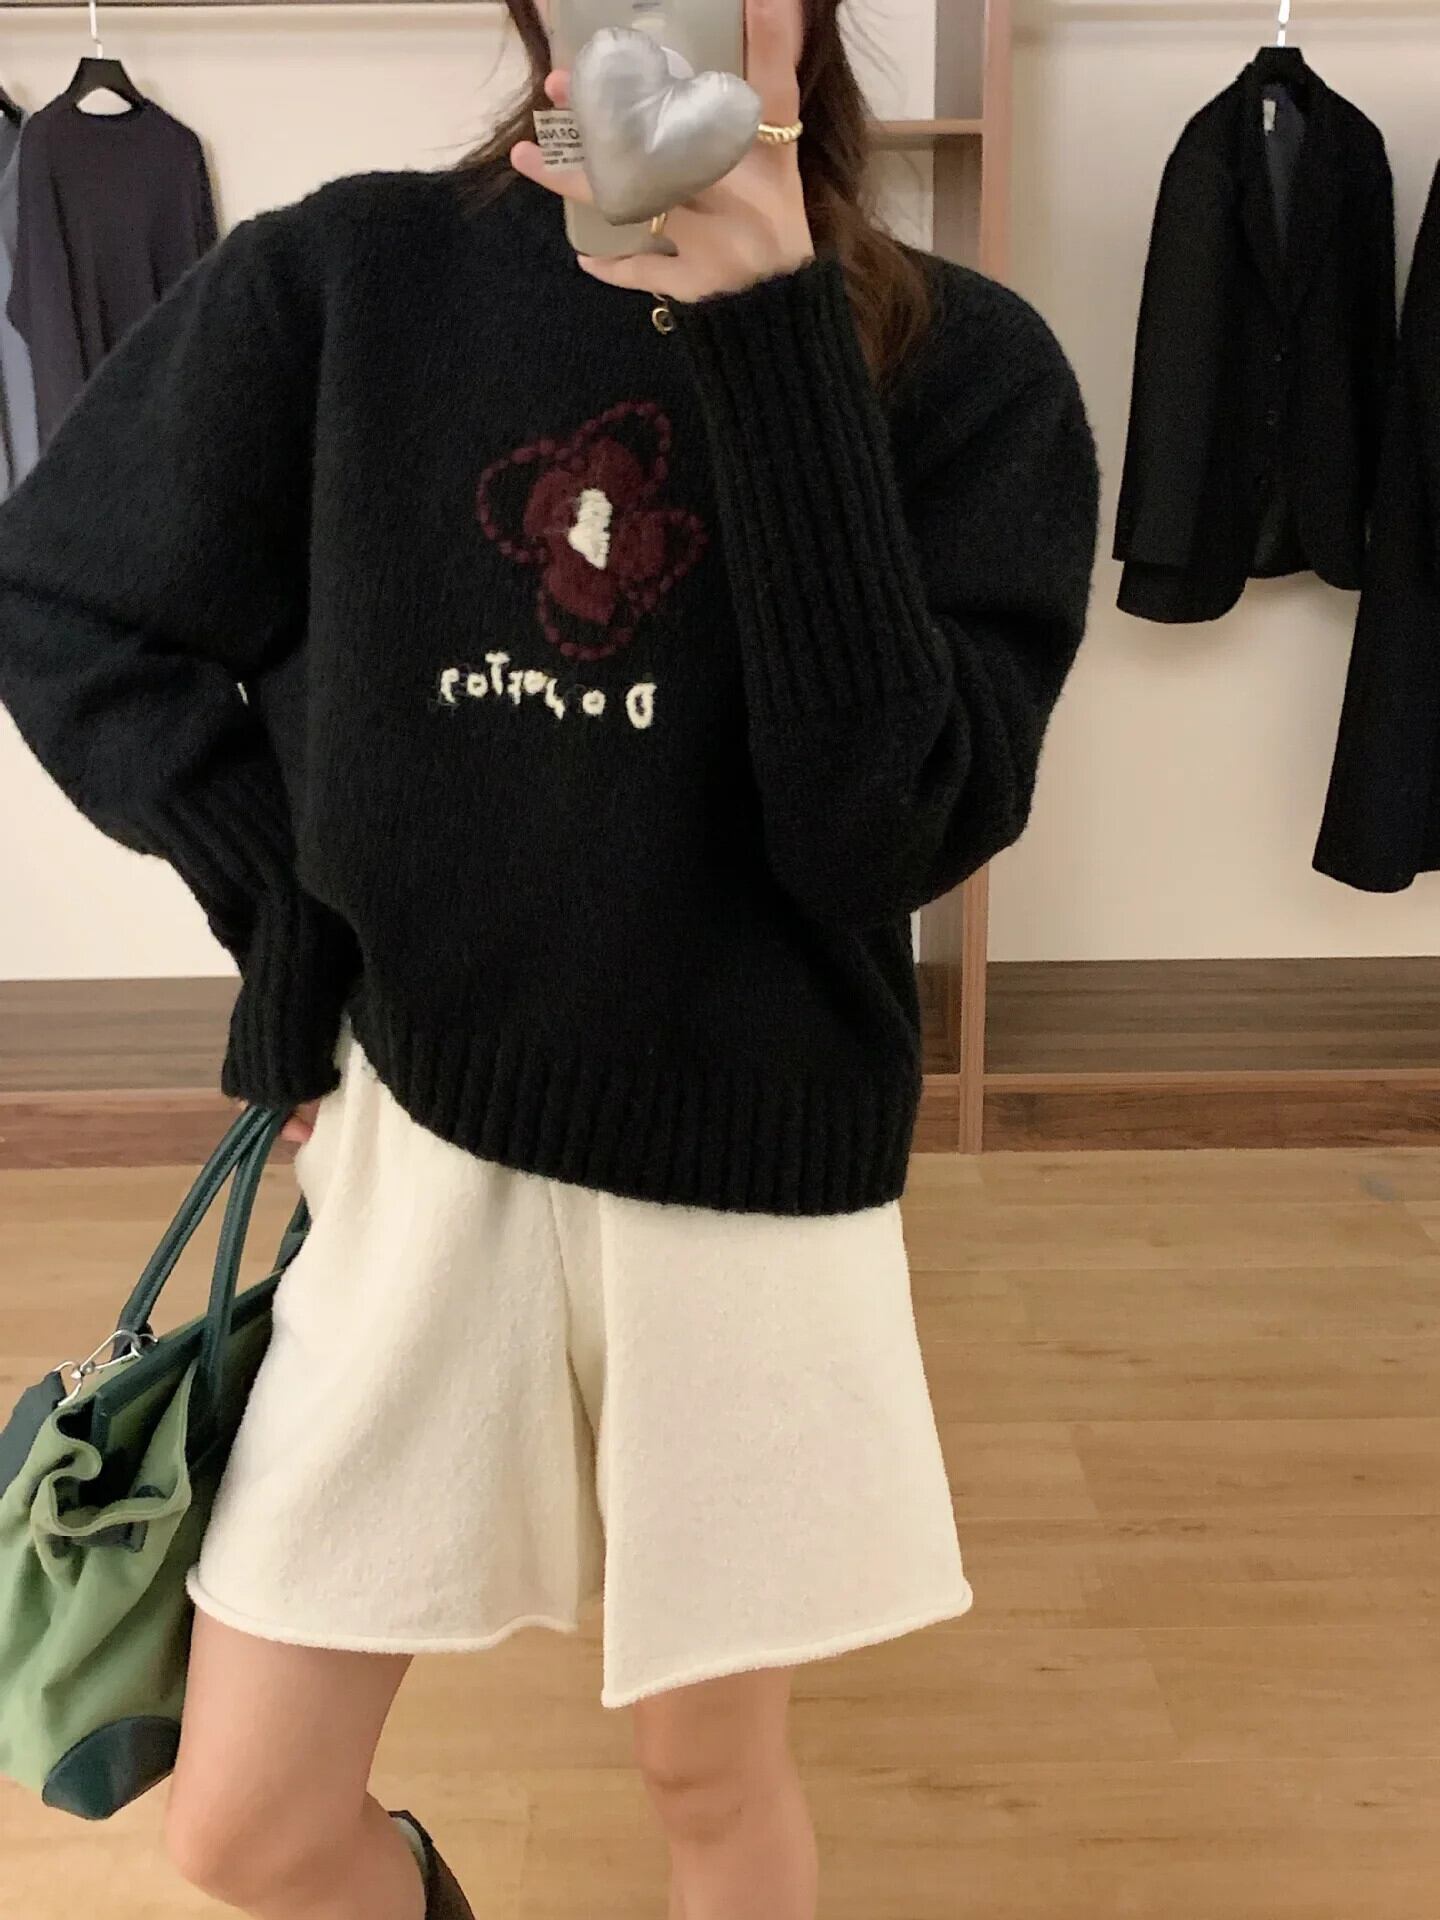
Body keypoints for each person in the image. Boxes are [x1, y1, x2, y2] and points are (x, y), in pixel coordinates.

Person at [0, 1, 1099, 1914]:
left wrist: (773, 334)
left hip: (756, 1165)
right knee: (247, 1823)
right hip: (424, 1142)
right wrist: (289, 919)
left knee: (709, 1773)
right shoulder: (347, 281)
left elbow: (881, 838)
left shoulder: (966, 369)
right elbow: (66, 598)